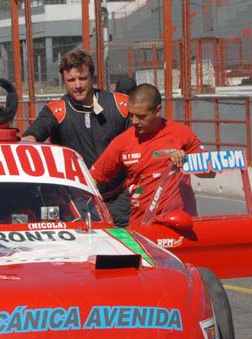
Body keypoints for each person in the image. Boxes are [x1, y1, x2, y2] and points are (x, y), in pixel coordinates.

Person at [22, 49, 131, 226]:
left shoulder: (120, 105)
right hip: (76, 200)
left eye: (83, 78)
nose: (78, 85)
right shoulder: (56, 111)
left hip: (120, 197)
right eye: (71, 80)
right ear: (64, 81)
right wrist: (30, 140)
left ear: (92, 77)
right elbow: (33, 135)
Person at [90, 83, 211, 226]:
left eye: (141, 116)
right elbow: (92, 178)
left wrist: (187, 160)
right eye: (131, 115)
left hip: (182, 225)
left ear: (158, 111)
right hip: (142, 228)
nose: (134, 121)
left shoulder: (182, 134)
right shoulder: (122, 142)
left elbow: (209, 172)